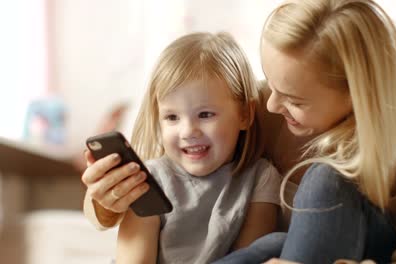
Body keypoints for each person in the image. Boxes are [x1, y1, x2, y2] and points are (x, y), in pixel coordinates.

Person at [82, 0, 396, 263]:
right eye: (271, 84)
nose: (270, 105)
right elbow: (156, 172)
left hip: (360, 252)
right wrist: (103, 199)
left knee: (327, 178)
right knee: (278, 241)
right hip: (273, 254)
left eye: (294, 99)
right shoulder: (244, 110)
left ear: (356, 96)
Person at [81, 32, 282, 264]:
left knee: (275, 242)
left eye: (205, 114)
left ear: (245, 114)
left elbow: (249, 257)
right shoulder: (148, 180)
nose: (188, 131)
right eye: (172, 117)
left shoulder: (260, 177)